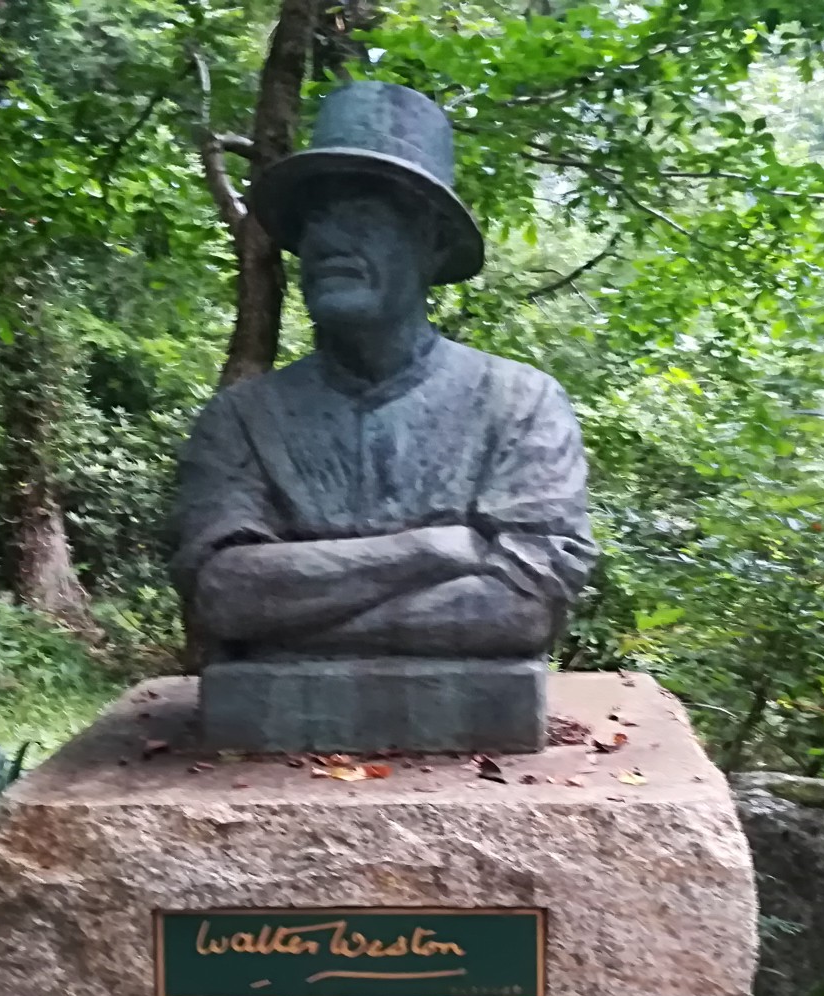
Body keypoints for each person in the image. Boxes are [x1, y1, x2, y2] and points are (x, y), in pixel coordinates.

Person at [174, 82, 597, 665]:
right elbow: (224, 596)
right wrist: (434, 549)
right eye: (315, 220)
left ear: (432, 243)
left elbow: (524, 611)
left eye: (363, 215)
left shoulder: (520, 404)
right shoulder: (241, 419)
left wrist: (287, 622)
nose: (325, 241)